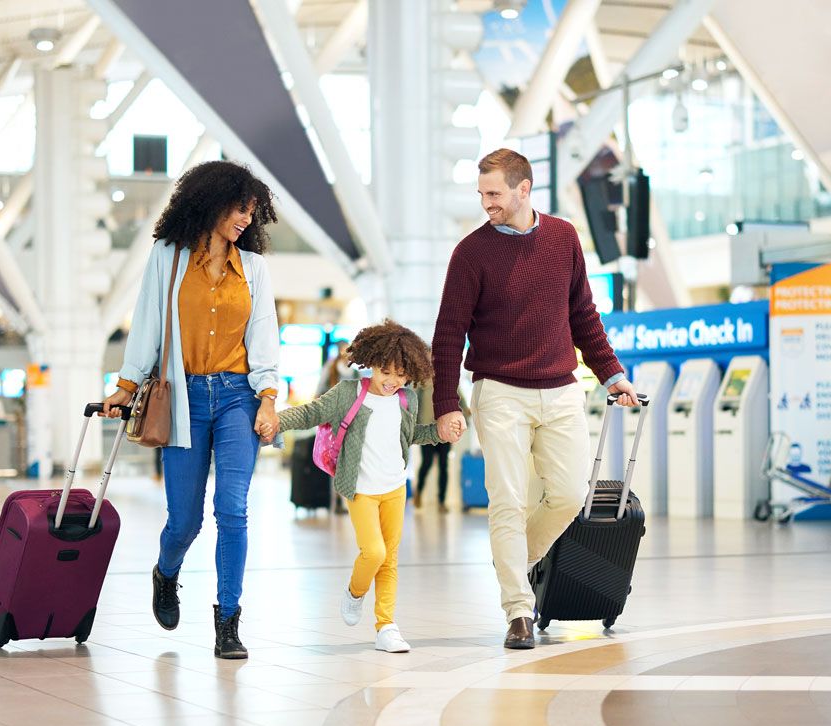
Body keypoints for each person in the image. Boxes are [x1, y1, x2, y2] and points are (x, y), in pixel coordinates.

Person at [431, 148, 639, 651]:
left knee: (570, 495)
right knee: (508, 500)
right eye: (482, 194)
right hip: (499, 391)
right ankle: (519, 610)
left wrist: (611, 374)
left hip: (562, 389)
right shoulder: (471, 252)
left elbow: (584, 316)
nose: (487, 204)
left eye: (495, 194)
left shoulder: (564, 238)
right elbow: (448, 333)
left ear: (525, 190)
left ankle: (517, 563)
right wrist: (445, 404)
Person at [102, 160, 281, 661]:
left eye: (252, 211)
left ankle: (228, 621)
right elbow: (146, 325)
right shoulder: (169, 257)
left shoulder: (256, 270)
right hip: (183, 397)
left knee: (234, 509)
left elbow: (265, 338)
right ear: (209, 202)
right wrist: (125, 385)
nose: (245, 219)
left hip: (237, 397)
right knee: (185, 520)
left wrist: (268, 398)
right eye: (238, 208)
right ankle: (166, 571)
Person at [274, 321, 454, 653]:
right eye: (385, 372)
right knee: (374, 552)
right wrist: (276, 421)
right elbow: (310, 413)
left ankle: (386, 626)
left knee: (390, 560)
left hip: (396, 488)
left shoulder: (407, 399)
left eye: (401, 374)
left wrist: (439, 433)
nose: (392, 380)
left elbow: (411, 435)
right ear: (370, 363)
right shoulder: (348, 393)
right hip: (361, 490)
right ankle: (355, 592)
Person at [413, 381, 469, 511]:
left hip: (445, 430)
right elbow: (414, 403)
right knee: (426, 463)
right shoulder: (422, 382)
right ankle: (419, 492)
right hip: (426, 430)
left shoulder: (447, 380)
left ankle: (441, 502)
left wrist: (466, 412)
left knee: (443, 465)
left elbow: (460, 399)